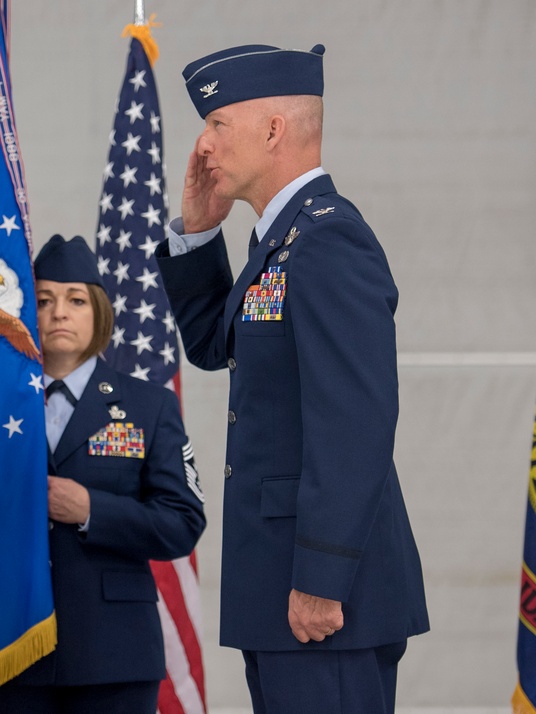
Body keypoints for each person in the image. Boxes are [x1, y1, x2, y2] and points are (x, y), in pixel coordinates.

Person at [155, 44, 429, 713]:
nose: (204, 142)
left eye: (218, 122)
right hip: (282, 580)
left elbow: (355, 423)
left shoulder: (329, 241)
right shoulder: (281, 242)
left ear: (273, 130)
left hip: (322, 595)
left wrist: (323, 578)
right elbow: (215, 346)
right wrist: (197, 235)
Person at [0, 235, 206, 714]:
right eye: (43, 300)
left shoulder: (149, 405)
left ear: (98, 313)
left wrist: (91, 510)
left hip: (113, 657)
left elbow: (182, 522)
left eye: (76, 300)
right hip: (10, 649)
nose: (59, 312)